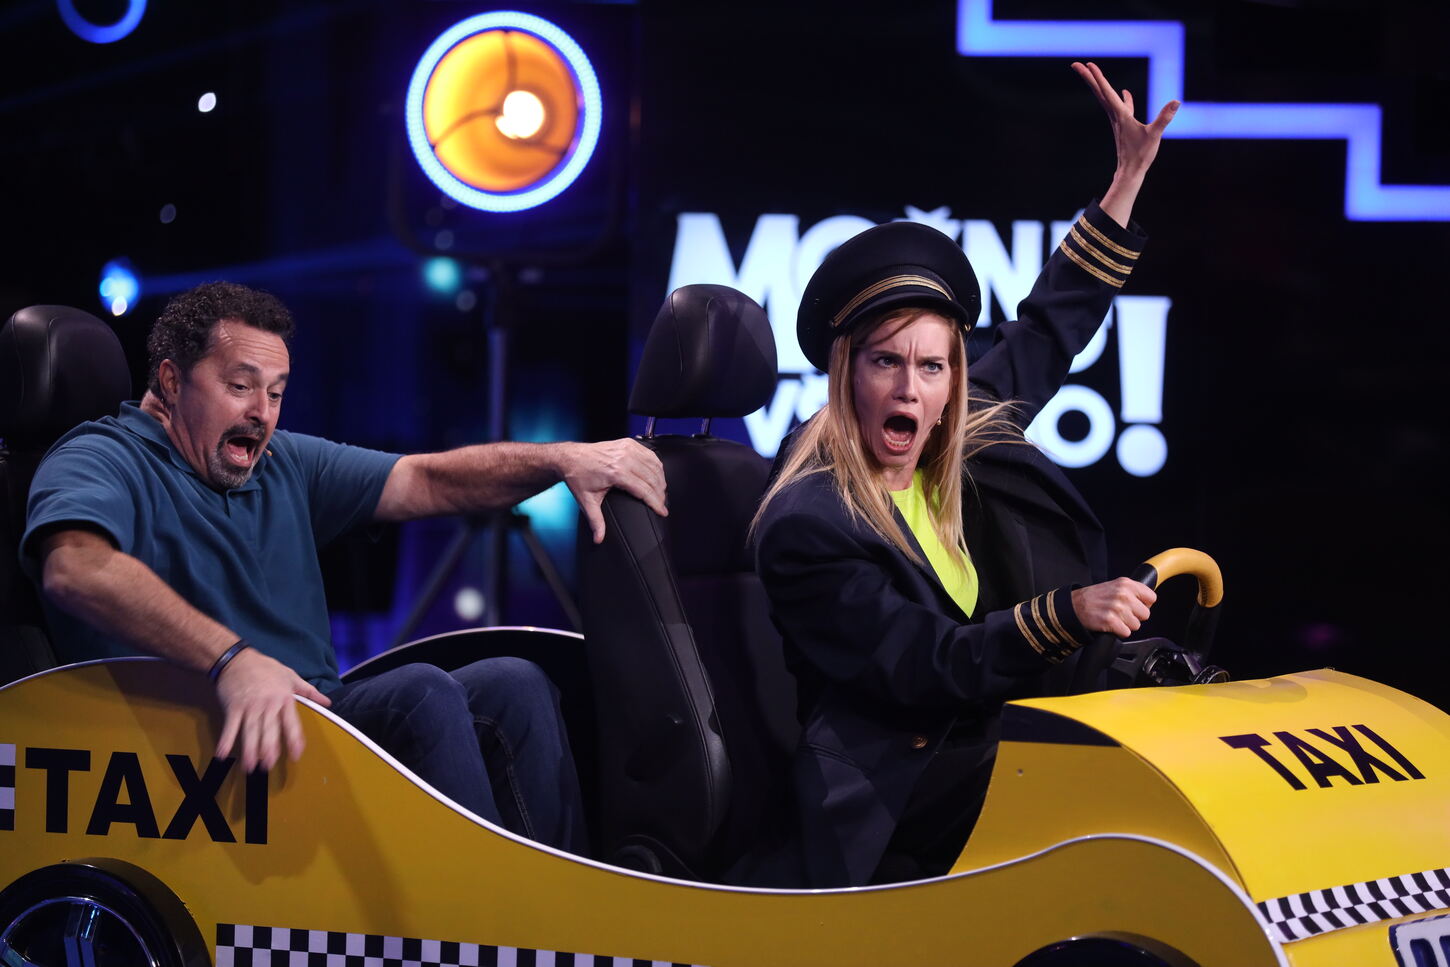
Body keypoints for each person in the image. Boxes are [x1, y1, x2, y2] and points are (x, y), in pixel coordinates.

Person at [20, 280, 667, 856]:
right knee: (420, 693)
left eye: (276, 392)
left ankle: (556, 918)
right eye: (240, 386)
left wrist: (561, 459)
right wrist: (232, 660)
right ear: (169, 380)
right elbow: (76, 567)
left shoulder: (283, 463)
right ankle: (476, 925)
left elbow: (428, 478)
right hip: (187, 744)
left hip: (307, 722)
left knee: (515, 683)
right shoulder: (101, 455)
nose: (262, 412)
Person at [750, 62, 1177, 887]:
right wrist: (1067, 613)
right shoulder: (806, 519)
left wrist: (1126, 180)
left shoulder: (957, 429)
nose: (910, 389)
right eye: (886, 362)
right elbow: (928, 664)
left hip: (980, 736)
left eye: (932, 366)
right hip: (892, 787)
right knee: (1103, 779)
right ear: (846, 373)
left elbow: (1047, 329)